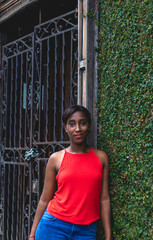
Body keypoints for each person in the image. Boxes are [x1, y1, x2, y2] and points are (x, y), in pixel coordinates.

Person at [29, 105, 111, 240]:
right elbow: (45, 198)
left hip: (86, 230)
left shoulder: (101, 158)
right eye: (72, 124)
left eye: (82, 123)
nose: (78, 128)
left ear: (89, 126)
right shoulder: (56, 159)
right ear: (66, 128)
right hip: (53, 225)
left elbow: (104, 199)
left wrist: (108, 236)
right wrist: (32, 234)